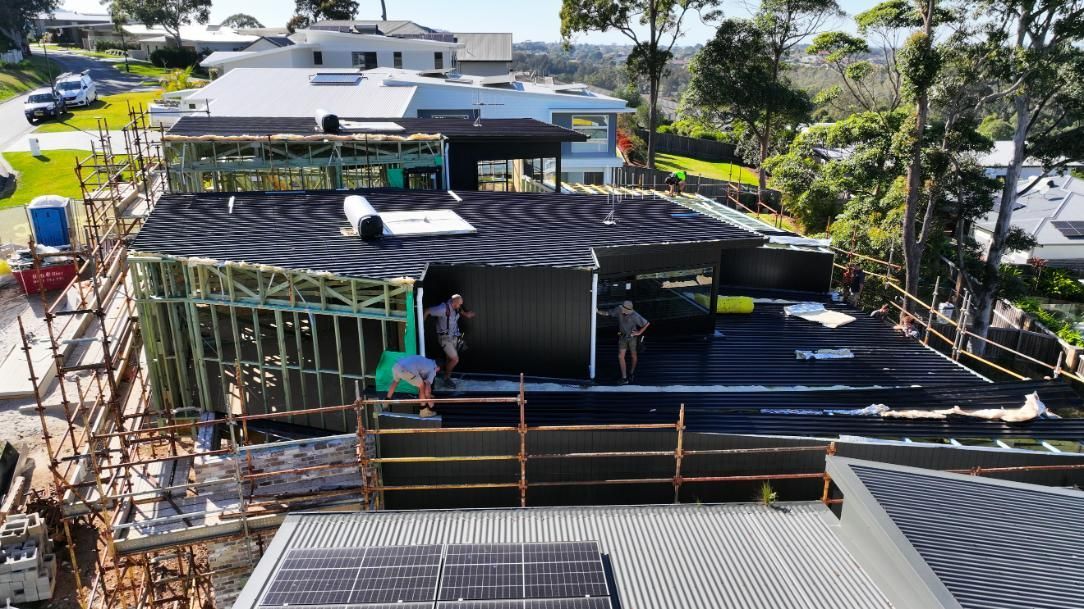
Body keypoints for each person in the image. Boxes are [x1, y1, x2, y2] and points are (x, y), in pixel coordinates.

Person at [424, 294, 476, 389]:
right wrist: (421, 325)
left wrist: (466, 314)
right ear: (454, 302)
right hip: (445, 338)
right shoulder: (443, 309)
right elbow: (427, 311)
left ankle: (446, 377)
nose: (460, 306)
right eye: (459, 304)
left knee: (449, 359)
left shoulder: (456, 307)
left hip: (454, 337)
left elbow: (460, 310)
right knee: (455, 359)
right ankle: (446, 378)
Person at [597, 300, 650, 384]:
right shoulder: (618, 309)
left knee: (633, 356)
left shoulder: (635, 315)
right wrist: (597, 311)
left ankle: (631, 373)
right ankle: (624, 378)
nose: (625, 313)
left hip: (632, 338)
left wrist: (639, 332)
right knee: (620, 356)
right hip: (622, 337)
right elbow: (608, 313)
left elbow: (647, 323)